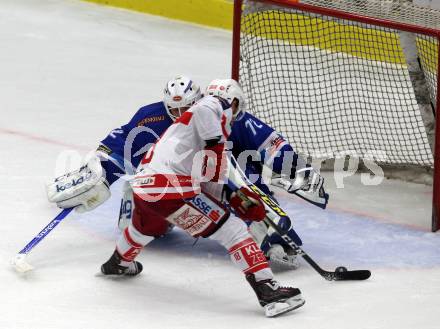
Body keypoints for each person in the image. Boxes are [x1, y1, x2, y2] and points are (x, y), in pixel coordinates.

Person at [46, 75, 328, 269]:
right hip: (173, 188)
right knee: (143, 220)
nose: (179, 112)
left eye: (186, 106)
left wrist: (297, 170)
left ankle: (267, 237)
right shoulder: (152, 117)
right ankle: (127, 249)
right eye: (174, 108)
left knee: (257, 215)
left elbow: (270, 145)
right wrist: (100, 172)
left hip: (220, 185)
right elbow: (121, 144)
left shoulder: (229, 117)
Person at [99, 79, 305, 317]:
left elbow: (208, 178)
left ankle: (117, 264)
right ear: (234, 99)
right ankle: (269, 292)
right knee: (235, 230)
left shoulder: (191, 128)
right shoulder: (212, 107)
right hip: (172, 189)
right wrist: (215, 146)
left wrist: (235, 198)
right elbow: (209, 120)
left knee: (141, 229)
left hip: (146, 188)